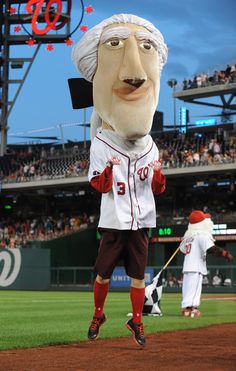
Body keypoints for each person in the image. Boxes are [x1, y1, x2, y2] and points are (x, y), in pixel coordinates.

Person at [72, 13, 168, 347]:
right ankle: (99, 313)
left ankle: (137, 322)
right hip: (114, 222)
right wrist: (111, 170)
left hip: (142, 220)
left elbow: (157, 189)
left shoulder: (152, 145)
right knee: (102, 273)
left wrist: (158, 176)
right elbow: (97, 183)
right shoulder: (101, 141)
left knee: (139, 276)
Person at [180, 210, 233, 317]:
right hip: (196, 266)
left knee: (188, 289)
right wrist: (225, 254)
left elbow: (182, 249)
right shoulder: (201, 235)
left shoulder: (188, 237)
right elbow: (212, 249)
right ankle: (192, 310)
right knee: (194, 289)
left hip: (187, 266)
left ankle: (187, 310)